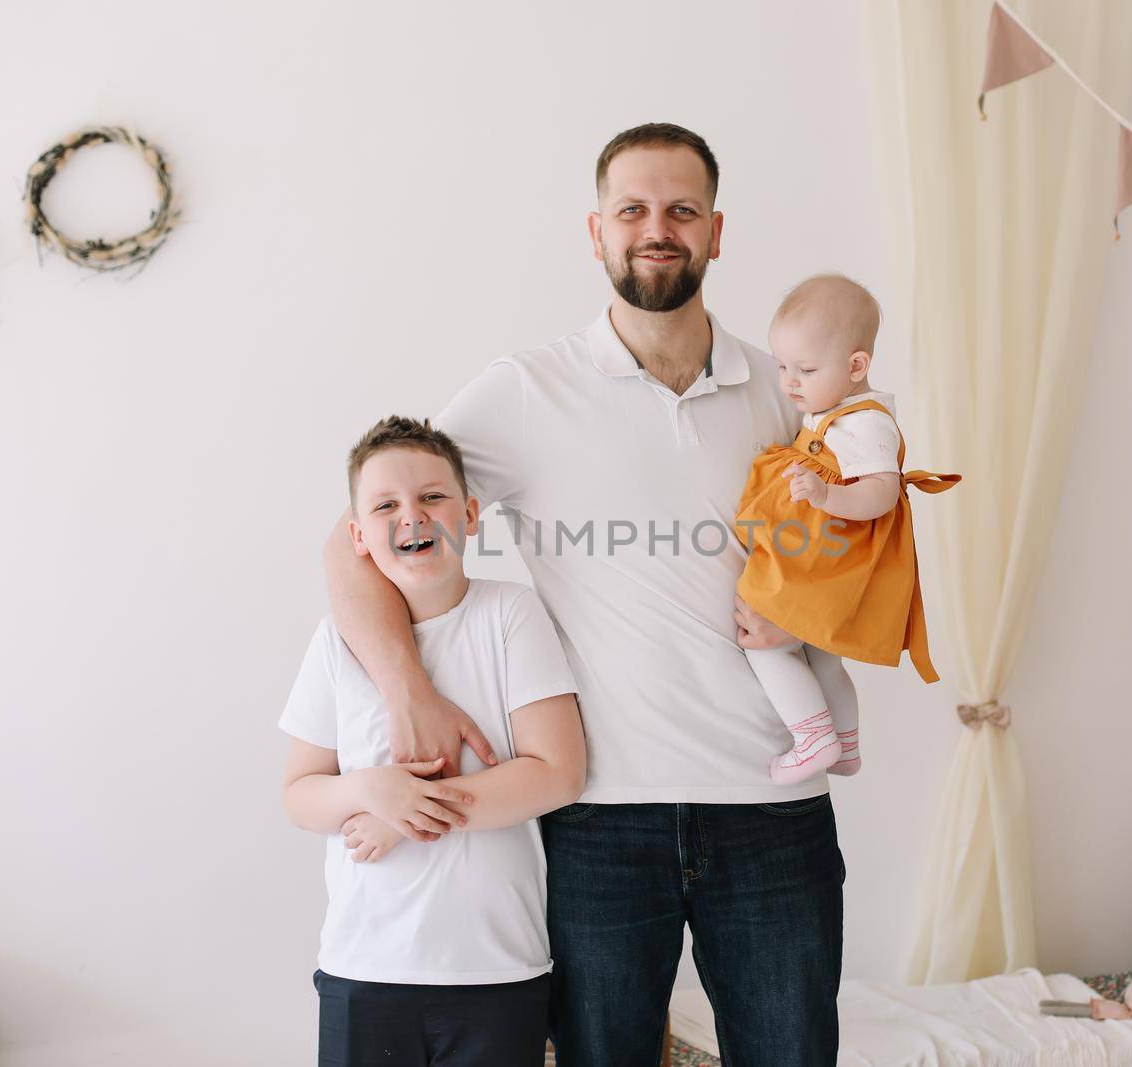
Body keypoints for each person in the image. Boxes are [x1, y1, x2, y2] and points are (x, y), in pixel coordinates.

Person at [323, 123, 846, 1066]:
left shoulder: (787, 392)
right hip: (602, 820)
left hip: (774, 810)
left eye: (682, 210)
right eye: (634, 210)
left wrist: (808, 607)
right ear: (596, 232)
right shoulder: (525, 392)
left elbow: (871, 549)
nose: (659, 228)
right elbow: (355, 539)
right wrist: (407, 688)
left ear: (716, 232)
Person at [282, 415, 585, 1066]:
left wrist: (408, 813)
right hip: (364, 967)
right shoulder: (335, 642)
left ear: (471, 513)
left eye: (433, 496)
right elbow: (300, 794)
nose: (411, 514)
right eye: (386, 504)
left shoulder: (511, 614)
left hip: (496, 969)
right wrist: (370, 791)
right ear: (357, 536)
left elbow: (557, 772)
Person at [734, 273, 959, 784]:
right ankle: (847, 747)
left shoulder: (865, 422)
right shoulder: (831, 411)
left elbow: (881, 492)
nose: (790, 382)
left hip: (829, 559)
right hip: (827, 555)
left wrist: (825, 494)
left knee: (765, 639)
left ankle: (812, 736)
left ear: (857, 365)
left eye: (806, 369)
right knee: (823, 656)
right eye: (783, 367)